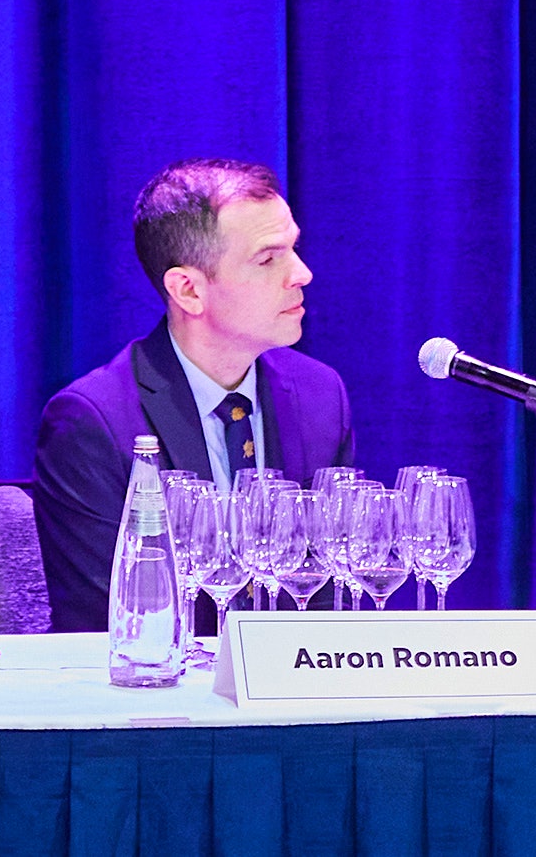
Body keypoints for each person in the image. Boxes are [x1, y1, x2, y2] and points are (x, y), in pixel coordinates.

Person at [35, 158, 355, 632]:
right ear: (187, 290)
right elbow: (108, 623)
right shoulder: (93, 421)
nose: (302, 273)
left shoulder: (319, 395)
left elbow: (331, 591)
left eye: (293, 248)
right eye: (268, 259)